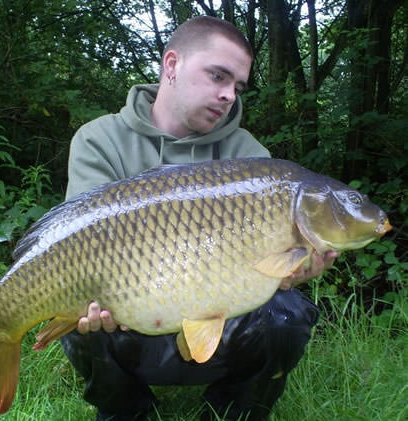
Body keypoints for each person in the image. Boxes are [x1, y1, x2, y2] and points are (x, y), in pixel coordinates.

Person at [61, 16, 338, 421]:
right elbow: (75, 246)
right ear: (171, 65)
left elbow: (274, 267)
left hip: (223, 330)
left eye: (237, 86)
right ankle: (128, 411)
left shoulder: (250, 159)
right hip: (129, 324)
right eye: (217, 76)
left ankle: (231, 411)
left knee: (287, 313)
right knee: (73, 312)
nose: (228, 95)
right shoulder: (100, 141)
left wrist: (291, 270)